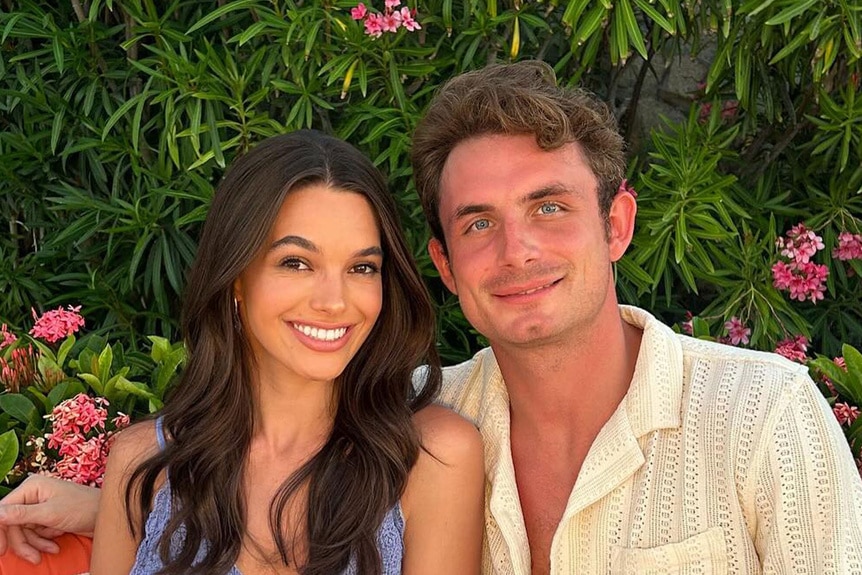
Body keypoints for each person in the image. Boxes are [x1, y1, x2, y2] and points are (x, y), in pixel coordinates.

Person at [3, 61, 862, 573]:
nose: (517, 250)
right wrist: (113, 496)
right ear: (445, 265)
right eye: (478, 223)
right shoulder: (434, 409)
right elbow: (283, 435)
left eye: (551, 207)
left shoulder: (762, 415)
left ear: (618, 224)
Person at [0, 130, 485, 574]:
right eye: (296, 262)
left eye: (362, 268)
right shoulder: (142, 464)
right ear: (236, 278)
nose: (335, 301)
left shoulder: (432, 457)